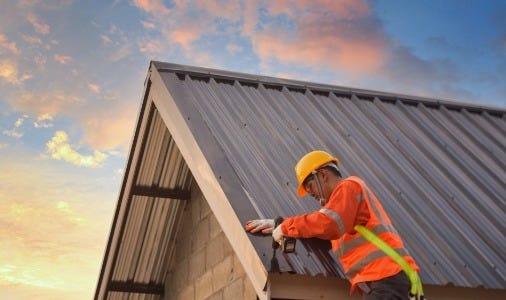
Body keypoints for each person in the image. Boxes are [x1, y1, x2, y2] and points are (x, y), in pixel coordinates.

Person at [245, 150, 420, 300]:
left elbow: (327, 224)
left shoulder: (349, 187)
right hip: (384, 281)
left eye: (310, 185)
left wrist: (286, 226)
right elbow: (319, 226)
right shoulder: (343, 211)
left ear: (322, 174)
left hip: (387, 278)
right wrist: (280, 225)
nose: (310, 193)